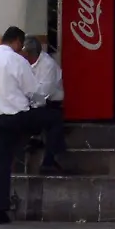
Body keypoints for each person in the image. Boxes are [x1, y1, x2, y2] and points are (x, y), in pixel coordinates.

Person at [0, 27, 38, 225]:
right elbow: (33, 90)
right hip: (16, 118)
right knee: (50, 119)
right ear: (18, 42)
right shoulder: (17, 60)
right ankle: (33, 144)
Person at [23, 36, 69, 174]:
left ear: (32, 54)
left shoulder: (48, 65)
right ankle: (37, 140)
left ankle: (48, 160)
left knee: (54, 120)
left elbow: (44, 93)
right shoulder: (27, 65)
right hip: (33, 104)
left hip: (49, 103)